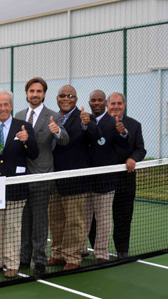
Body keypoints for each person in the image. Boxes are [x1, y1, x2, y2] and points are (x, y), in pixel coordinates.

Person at [15, 77, 69, 277]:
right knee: (23, 219)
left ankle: (39, 259)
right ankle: (23, 257)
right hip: (22, 177)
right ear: (27, 93)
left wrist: (57, 132)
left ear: (44, 94)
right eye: (31, 91)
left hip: (42, 176)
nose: (35, 94)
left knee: (39, 221)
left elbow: (64, 139)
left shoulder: (54, 116)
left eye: (39, 91)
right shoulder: (19, 115)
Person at [48, 85, 101, 270]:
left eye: (70, 96)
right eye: (62, 95)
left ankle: (72, 257)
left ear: (76, 99)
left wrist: (87, 124)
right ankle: (57, 253)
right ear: (57, 98)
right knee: (55, 219)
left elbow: (95, 135)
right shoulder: (54, 118)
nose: (66, 98)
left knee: (74, 221)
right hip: (54, 179)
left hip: (75, 181)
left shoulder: (84, 118)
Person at [0, 89, 39, 278]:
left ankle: (12, 263)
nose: (3, 108)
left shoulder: (24, 126)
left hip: (16, 187)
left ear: (11, 106)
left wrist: (27, 141)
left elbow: (34, 153)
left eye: (6, 104)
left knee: (13, 227)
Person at [83, 90, 129, 263]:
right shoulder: (85, 120)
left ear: (105, 103)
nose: (96, 103)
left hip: (105, 181)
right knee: (84, 218)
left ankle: (101, 254)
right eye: (93, 100)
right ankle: (81, 249)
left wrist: (123, 132)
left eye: (100, 100)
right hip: (85, 180)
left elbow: (124, 144)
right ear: (89, 102)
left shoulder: (113, 122)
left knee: (103, 220)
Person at [107, 92, 146, 258]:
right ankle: (95, 249)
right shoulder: (98, 123)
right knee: (95, 218)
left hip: (125, 180)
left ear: (124, 105)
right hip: (101, 180)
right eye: (113, 103)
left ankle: (122, 250)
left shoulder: (134, 125)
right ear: (107, 105)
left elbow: (140, 149)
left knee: (123, 216)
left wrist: (132, 158)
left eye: (119, 103)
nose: (116, 106)